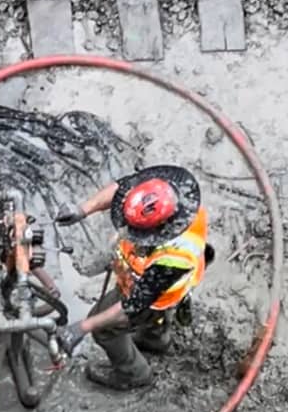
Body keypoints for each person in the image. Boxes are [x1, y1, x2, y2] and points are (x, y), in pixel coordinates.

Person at [54, 166, 211, 390]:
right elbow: (121, 188)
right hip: (162, 285)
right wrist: (83, 209)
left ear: (160, 231)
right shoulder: (171, 192)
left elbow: (131, 305)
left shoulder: (173, 258)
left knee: (105, 329)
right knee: (155, 317)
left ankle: (134, 374)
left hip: (158, 292)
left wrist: (82, 327)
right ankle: (155, 339)